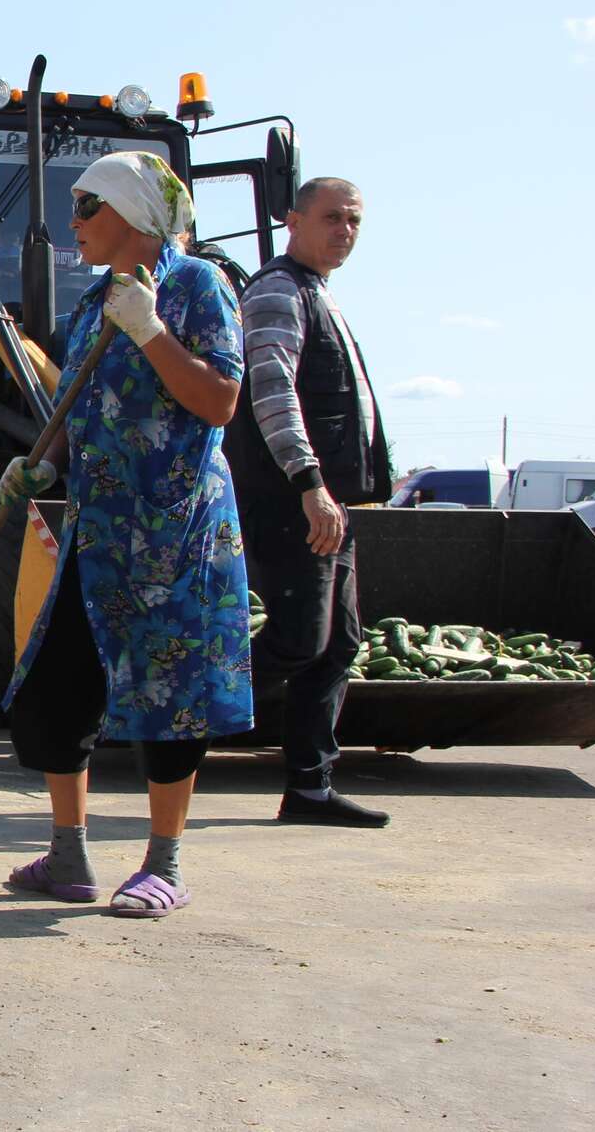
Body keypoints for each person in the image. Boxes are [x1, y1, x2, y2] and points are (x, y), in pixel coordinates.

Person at [0, 150, 253, 918]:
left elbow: (219, 400)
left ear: (133, 215)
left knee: (169, 695)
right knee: (51, 690)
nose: (71, 222)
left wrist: (148, 331)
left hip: (175, 533)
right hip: (100, 529)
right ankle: (69, 854)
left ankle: (163, 863)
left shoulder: (195, 286)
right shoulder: (90, 305)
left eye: (85, 207)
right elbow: (83, 407)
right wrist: (40, 465)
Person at [222, 178, 392, 828]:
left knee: (336, 643)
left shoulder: (319, 294)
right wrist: (309, 483)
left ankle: (310, 788)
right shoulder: (276, 291)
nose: (344, 229)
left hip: (330, 503)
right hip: (294, 501)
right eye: (331, 218)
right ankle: (175, 721)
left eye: (353, 219)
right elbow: (271, 392)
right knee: (297, 640)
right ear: (292, 220)